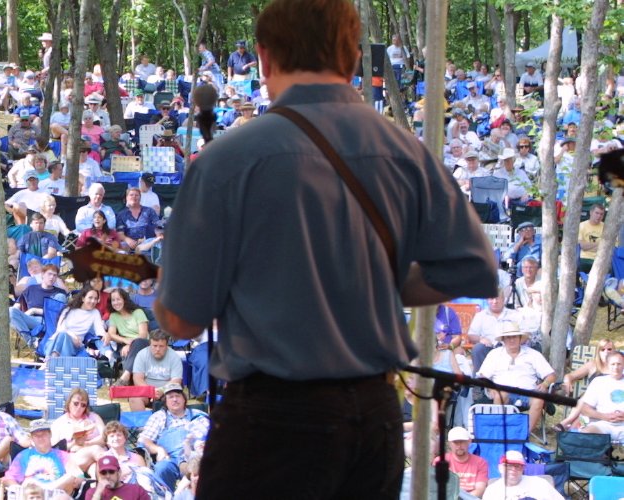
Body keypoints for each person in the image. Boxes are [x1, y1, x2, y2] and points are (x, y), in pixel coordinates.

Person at [155, 1, 497, 497]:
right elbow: (473, 269)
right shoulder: (406, 151)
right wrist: (378, 283)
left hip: (275, 422)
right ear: (354, 58)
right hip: (376, 417)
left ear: (263, 58)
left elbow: (183, 320)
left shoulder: (231, 160)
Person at [137, 383, 207, 491]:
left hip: (197, 458)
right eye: (170, 397)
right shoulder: (159, 417)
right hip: (170, 459)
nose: (175, 399)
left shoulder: (198, 415)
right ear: (165, 402)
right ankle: (166, 496)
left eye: (177, 396)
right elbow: (144, 440)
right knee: (161, 468)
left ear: (184, 399)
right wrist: (158, 449)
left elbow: (214, 436)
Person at [576, 350, 624, 441]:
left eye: (619, 364)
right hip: (603, 424)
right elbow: (585, 409)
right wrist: (604, 416)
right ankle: (600, 455)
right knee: (586, 433)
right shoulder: (599, 382)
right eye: (613, 364)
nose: (616, 367)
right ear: (607, 365)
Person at [481, 451, 562, 500]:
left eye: (517, 466)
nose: (513, 469)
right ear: (500, 468)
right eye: (508, 466)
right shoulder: (492, 491)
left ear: (523, 468)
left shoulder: (540, 483)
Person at [441, 427, 489, 498]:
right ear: (449, 444)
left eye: (462, 441)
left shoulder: (480, 462)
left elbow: (480, 489)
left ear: (469, 441)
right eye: (455, 442)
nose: (459, 445)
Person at [84, 455, 150, 500]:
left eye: (111, 471)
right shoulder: (92, 493)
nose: (108, 476)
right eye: (103, 473)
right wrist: (98, 493)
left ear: (119, 472)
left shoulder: (136, 490)